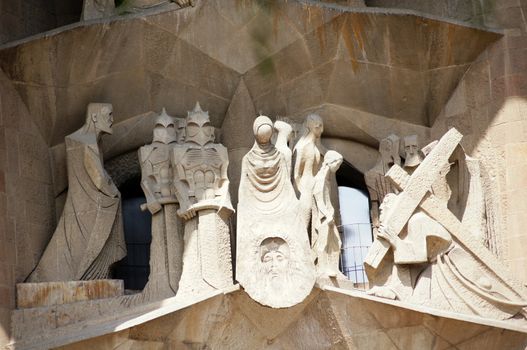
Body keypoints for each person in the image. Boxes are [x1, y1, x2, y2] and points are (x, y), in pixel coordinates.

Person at [28, 103, 126, 282]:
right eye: (109, 115)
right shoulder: (87, 141)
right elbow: (97, 176)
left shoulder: (87, 140)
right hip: (88, 204)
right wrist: (114, 191)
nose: (112, 120)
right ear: (95, 118)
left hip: (83, 202)